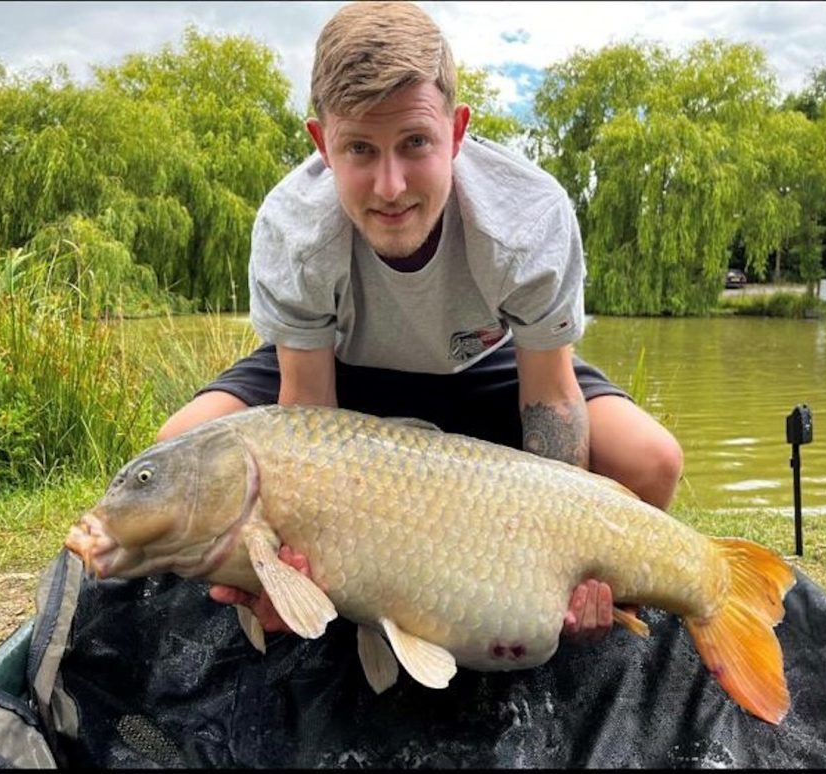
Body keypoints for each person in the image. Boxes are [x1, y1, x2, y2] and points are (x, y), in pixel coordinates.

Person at [157, 1, 683, 644]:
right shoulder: (293, 228)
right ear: (322, 144)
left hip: (479, 362)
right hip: (339, 365)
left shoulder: (526, 216)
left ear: (456, 132)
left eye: (415, 143)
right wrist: (296, 572)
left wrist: (561, 559)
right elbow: (307, 421)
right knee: (176, 453)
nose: (390, 186)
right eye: (360, 148)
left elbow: (549, 393)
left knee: (652, 462)